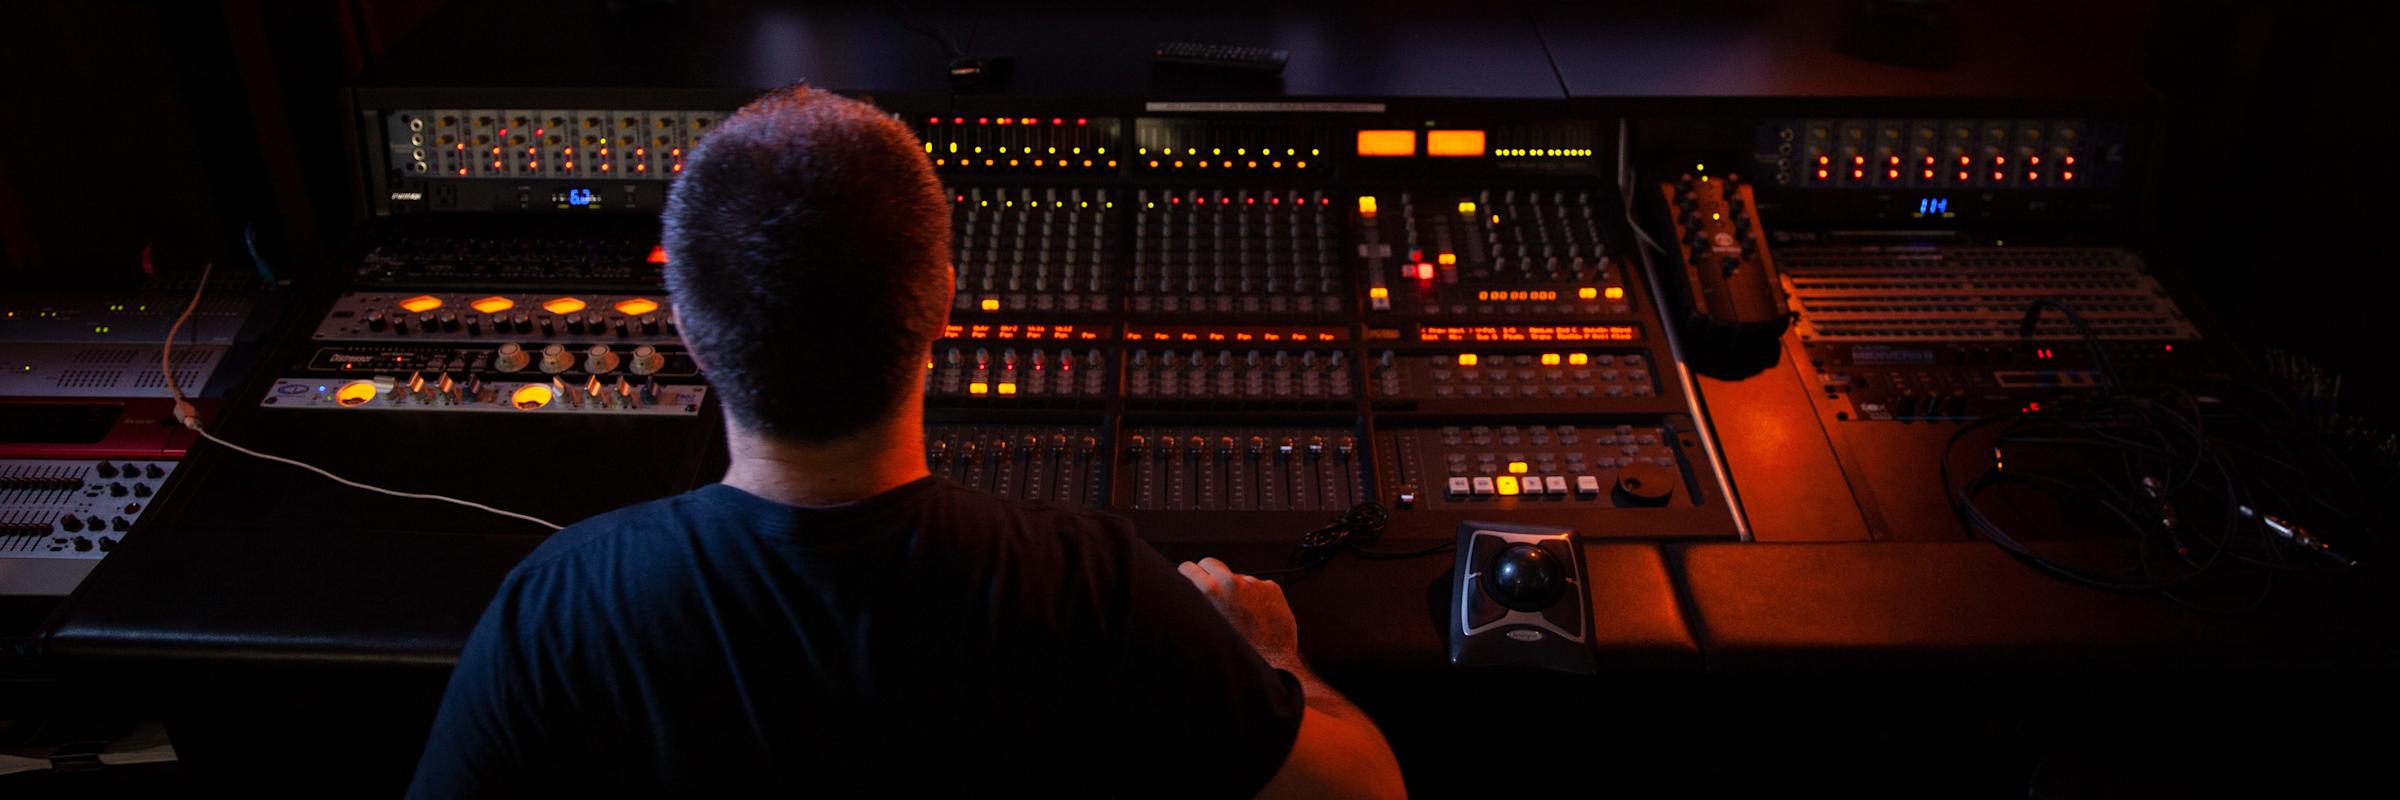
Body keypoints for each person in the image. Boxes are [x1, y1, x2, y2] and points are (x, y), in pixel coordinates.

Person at [408, 86, 1405, 799]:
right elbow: (1369, 786)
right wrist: (1275, 662)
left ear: (685, 327)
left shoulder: (560, 604)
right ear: (942, 304)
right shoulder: (1092, 588)